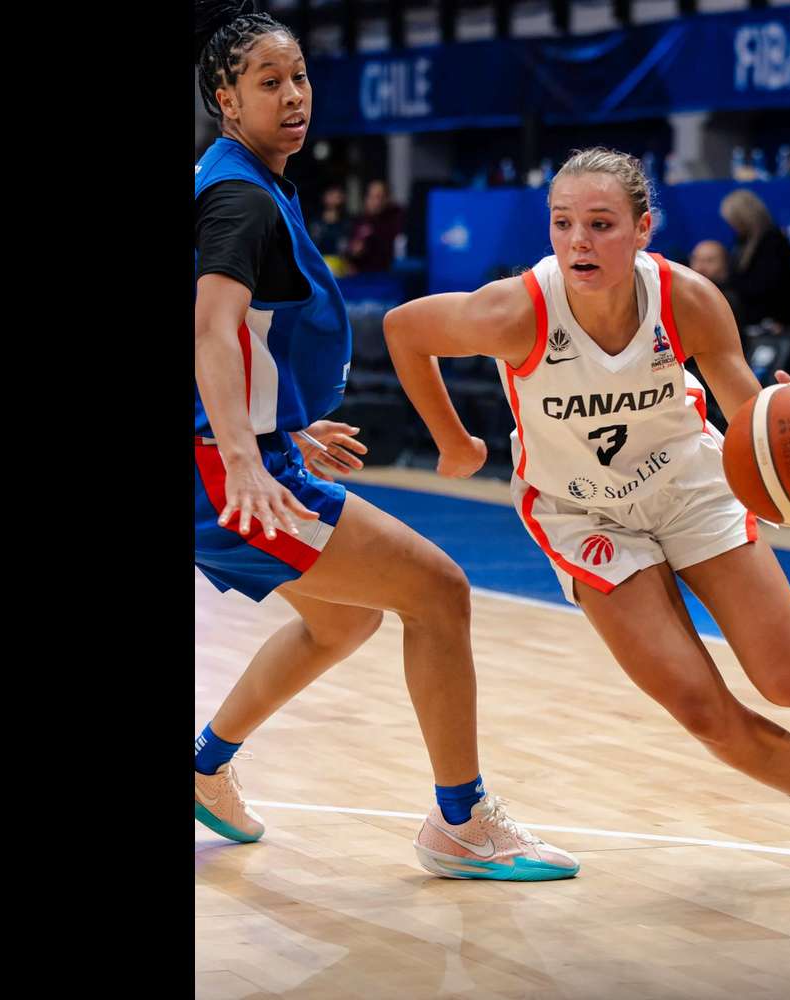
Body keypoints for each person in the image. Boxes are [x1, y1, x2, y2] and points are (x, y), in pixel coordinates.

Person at [383, 147, 790, 896]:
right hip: (582, 512)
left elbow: (746, 411)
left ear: (642, 229)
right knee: (698, 704)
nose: (578, 242)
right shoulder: (517, 309)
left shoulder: (687, 299)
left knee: (784, 682)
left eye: (600, 224)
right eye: (563, 224)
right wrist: (453, 439)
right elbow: (404, 328)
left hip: (689, 485)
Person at [192, 0, 578, 882]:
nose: (293, 96)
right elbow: (211, 329)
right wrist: (249, 454)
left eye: (298, 78)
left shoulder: (240, 179)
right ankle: (462, 821)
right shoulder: (240, 201)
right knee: (439, 592)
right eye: (267, 82)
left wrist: (278, 417)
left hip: (240, 452)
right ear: (226, 98)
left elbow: (242, 335)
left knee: (344, 619)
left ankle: (207, 766)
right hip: (234, 473)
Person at [718, 189, 790, 328]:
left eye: (735, 221)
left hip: (770, 315)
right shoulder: (742, 241)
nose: (733, 226)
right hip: (745, 312)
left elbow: (770, 284)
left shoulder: (773, 241)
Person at [347, 179, 403, 274]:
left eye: (380, 197)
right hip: (363, 278)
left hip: (389, 277)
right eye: (371, 197)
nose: (376, 202)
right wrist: (354, 252)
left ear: (388, 198)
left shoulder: (398, 218)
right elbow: (350, 252)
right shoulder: (359, 221)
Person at [308, 183, 352, 259]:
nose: (334, 197)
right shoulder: (315, 223)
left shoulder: (346, 224)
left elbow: (346, 248)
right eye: (331, 194)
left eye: (337, 195)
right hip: (318, 263)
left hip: (339, 264)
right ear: (324, 197)